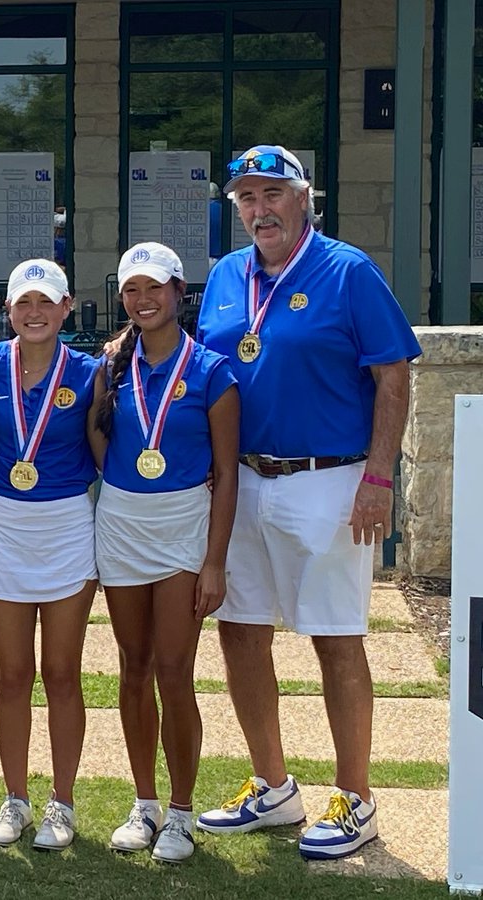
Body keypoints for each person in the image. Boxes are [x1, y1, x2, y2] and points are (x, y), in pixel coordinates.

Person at [194, 145, 421, 860]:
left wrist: (379, 477)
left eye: (271, 195)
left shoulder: (348, 270)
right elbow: (207, 369)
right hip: (242, 480)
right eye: (246, 199)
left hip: (329, 480)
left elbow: (392, 376)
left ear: (302, 199)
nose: (259, 210)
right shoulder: (228, 276)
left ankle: (355, 799)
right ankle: (273, 785)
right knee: (240, 630)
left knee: (335, 637)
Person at [87, 242, 239, 862]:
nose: (143, 300)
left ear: (179, 292)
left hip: (183, 529)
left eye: (155, 287)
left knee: (175, 671)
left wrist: (214, 560)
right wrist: (126, 481)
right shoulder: (111, 364)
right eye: (131, 290)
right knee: (133, 667)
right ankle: (143, 804)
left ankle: (181, 813)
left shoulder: (212, 370)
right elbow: (98, 434)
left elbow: (227, 473)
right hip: (123, 523)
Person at [0, 259, 102, 852]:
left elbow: (104, 450)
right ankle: (16, 798)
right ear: (9, 309)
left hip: (69, 525)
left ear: (67, 307)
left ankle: (62, 803)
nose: (35, 312)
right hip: (5, 525)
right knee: (12, 674)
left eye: (46, 302)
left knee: (63, 674)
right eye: (24, 303)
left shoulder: (93, 372)